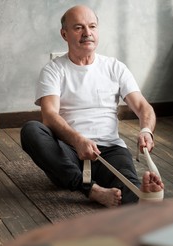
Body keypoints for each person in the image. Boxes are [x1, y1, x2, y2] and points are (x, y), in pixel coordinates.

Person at [20, 5, 164, 208]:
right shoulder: (53, 70)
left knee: (130, 191)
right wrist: (78, 141)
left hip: (110, 150)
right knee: (31, 131)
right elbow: (49, 115)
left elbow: (142, 106)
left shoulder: (115, 67)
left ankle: (143, 195)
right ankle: (92, 190)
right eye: (78, 27)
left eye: (92, 26)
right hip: (68, 152)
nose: (87, 33)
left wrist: (147, 130)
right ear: (64, 34)